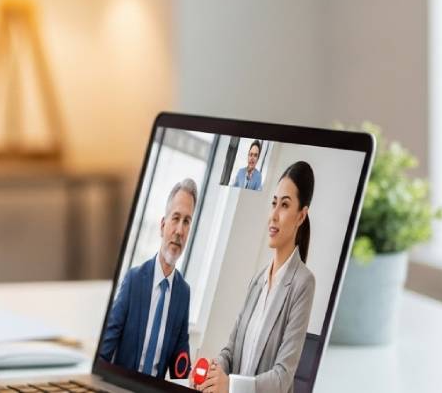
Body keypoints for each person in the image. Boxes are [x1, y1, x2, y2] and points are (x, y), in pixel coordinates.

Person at [197, 161, 317, 393]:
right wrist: (215, 373)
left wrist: (229, 385)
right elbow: (230, 352)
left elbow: (282, 378)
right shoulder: (257, 281)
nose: (273, 215)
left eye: (284, 205)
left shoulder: (303, 283)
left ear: (301, 216)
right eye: (273, 203)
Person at [99, 179, 197, 380]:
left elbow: (180, 366)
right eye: (175, 218)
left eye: (186, 222)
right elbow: (103, 352)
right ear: (163, 226)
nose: (179, 230)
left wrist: (197, 377)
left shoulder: (183, 294)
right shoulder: (134, 280)